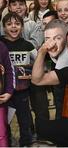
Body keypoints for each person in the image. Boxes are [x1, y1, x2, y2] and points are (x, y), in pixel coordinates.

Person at [0, 12, 37, 146]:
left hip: (22, 91)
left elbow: (39, 62)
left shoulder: (28, 45)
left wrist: (33, 73)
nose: (13, 27)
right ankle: (7, 143)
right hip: (5, 93)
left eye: (17, 24)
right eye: (9, 24)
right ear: (4, 27)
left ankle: (25, 143)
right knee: (5, 122)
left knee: (25, 121)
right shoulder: (1, 44)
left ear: (22, 27)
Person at [0, 41, 14, 147]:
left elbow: (10, 70)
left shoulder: (1, 46)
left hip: (0, 102)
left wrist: (9, 91)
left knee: (2, 135)